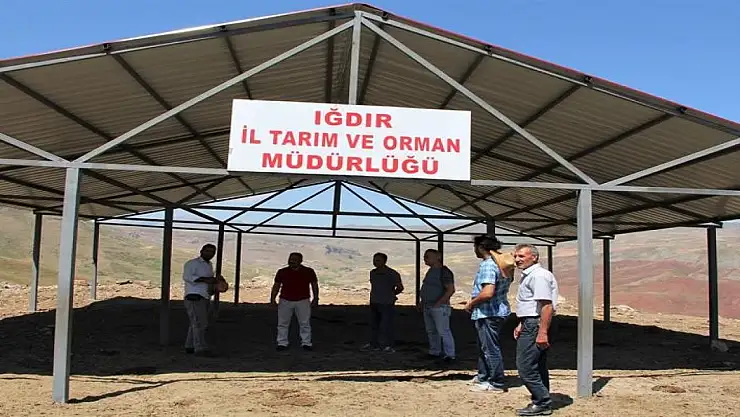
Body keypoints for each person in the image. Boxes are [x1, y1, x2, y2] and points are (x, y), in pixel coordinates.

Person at [513, 243, 559, 416]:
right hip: (530, 322)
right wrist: (522, 323)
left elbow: (546, 305)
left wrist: (542, 332)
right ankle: (541, 400)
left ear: (534, 257)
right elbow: (531, 305)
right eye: (515, 256)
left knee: (525, 366)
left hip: (536, 325)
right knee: (537, 365)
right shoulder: (530, 275)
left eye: (521, 256)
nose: (517, 259)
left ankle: (542, 402)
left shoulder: (539, 276)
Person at [465, 234, 513, 393]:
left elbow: (487, 292)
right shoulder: (501, 264)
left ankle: (496, 382)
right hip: (497, 310)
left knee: (490, 348)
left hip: (488, 312)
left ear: (480, 248)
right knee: (484, 346)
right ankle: (483, 376)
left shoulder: (488, 265)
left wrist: (471, 303)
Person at [270, 252, 319, 351]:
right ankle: (282, 342)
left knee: (304, 323)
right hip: (285, 300)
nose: (291, 261)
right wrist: (272, 298)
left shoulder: (308, 272)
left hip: (303, 300)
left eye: (294, 259)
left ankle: (306, 343)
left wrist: (316, 298)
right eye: (290, 259)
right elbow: (276, 286)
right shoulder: (282, 272)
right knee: (283, 323)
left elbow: (314, 285)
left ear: (300, 261)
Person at [182, 244, 222, 357]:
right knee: (200, 323)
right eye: (207, 251)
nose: (210, 254)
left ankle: (190, 346)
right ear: (201, 251)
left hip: (205, 296)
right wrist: (207, 280)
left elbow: (210, 282)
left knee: (195, 322)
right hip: (194, 296)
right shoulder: (192, 263)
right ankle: (200, 348)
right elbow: (188, 277)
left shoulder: (209, 265)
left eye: (212, 252)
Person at [419, 248, 456, 362]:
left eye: (428, 256)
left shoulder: (444, 272)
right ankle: (434, 351)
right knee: (431, 331)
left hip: (439, 307)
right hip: (428, 305)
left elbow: (450, 289)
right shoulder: (431, 271)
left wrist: (439, 303)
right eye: (425, 256)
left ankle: (450, 354)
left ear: (438, 257)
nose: (425, 258)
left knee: (443, 331)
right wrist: (422, 302)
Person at [362, 252, 404, 353]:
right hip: (374, 302)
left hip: (386, 303)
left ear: (384, 261)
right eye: (374, 260)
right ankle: (374, 344)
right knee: (374, 324)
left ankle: (387, 345)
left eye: (378, 260)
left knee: (386, 325)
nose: (375, 262)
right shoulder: (373, 273)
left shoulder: (392, 273)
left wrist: (391, 294)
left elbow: (400, 287)